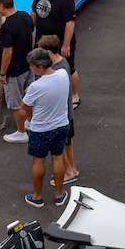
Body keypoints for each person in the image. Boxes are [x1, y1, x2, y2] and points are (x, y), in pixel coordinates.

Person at [22, 48, 71, 208]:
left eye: (32, 66)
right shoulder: (63, 74)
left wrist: (31, 119)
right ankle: (58, 195)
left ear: (39, 66)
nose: (30, 68)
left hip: (41, 129)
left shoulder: (36, 86)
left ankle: (37, 197)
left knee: (38, 161)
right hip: (62, 125)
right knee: (58, 157)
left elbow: (25, 106)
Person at [32, 0, 79, 109]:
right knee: (43, 67)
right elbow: (34, 13)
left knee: (69, 69)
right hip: (41, 41)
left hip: (60, 43)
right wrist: (29, 29)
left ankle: (75, 95)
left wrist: (66, 45)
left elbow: (70, 23)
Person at [37, 34, 78, 184]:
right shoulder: (63, 62)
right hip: (67, 112)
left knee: (59, 145)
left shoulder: (56, 68)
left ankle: (69, 172)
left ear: (48, 51)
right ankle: (72, 168)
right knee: (67, 142)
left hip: (61, 115)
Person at [0, 0, 35, 144]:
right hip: (28, 65)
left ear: (1, 5)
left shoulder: (6, 27)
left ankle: (21, 132)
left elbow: (7, 52)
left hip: (14, 71)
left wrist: (2, 73)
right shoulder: (25, 15)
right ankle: (31, 123)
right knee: (29, 98)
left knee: (16, 104)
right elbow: (32, 35)